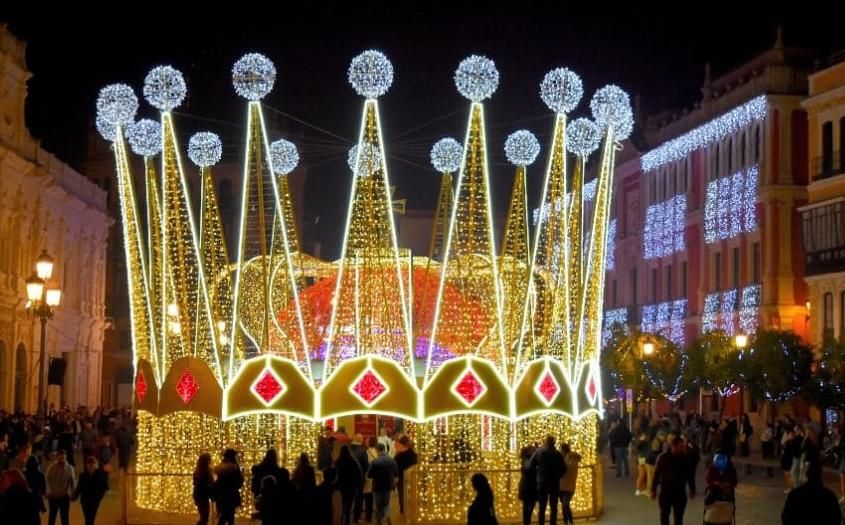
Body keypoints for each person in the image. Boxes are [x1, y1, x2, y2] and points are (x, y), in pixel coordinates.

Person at [650, 436, 695, 525]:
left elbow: (690, 476)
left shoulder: (686, 459)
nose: (683, 448)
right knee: (664, 515)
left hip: (680, 493)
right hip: (666, 493)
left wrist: (692, 489)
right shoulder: (663, 458)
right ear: (673, 446)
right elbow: (656, 474)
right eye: (680, 446)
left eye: (683, 446)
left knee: (678, 518)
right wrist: (653, 489)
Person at [528, 435, 566, 525]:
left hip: (542, 482)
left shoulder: (539, 452)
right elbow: (564, 468)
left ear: (546, 442)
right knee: (553, 506)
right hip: (554, 482)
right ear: (554, 443)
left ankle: (541, 523)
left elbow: (530, 465)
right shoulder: (558, 454)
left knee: (542, 506)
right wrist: (558, 475)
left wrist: (537, 472)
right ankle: (553, 523)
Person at [368, 442, 398, 525]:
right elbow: (396, 473)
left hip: (377, 486)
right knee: (386, 503)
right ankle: (387, 515)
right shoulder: (392, 460)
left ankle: (379, 520)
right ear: (384, 449)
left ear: (377, 450)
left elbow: (369, 475)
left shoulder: (374, 461)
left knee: (378, 504)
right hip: (388, 485)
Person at [73, 456, 109, 525]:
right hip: (85, 501)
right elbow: (79, 487)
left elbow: (105, 487)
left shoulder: (100, 475)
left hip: (95, 501)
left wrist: (100, 497)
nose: (91, 466)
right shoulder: (83, 475)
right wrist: (75, 496)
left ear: (95, 465)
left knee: (91, 518)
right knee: (87, 518)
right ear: (86, 465)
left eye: (92, 464)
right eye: (89, 464)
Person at [213, 448, 244, 525]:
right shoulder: (234, 467)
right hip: (231, 496)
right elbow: (239, 482)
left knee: (226, 516)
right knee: (227, 516)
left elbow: (215, 482)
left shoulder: (219, 467)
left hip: (221, 496)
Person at [46, 449, 76, 525]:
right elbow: (46, 479)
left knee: (64, 518)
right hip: (53, 497)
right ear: (57, 458)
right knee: (52, 517)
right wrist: (47, 491)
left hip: (64, 497)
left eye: (63, 458)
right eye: (60, 458)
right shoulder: (51, 467)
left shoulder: (69, 468)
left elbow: (73, 482)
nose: (61, 460)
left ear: (66, 458)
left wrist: (73, 493)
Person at [335, 445, 363, 525]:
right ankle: (347, 522)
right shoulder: (354, 461)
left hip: (341, 488)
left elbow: (334, 475)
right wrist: (359, 486)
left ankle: (341, 521)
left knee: (342, 507)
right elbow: (359, 475)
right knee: (349, 508)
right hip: (351, 488)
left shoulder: (338, 462)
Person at [393, 435, 418, 514]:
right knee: (411, 493)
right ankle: (411, 508)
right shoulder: (413, 454)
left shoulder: (398, 456)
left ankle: (403, 509)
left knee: (402, 494)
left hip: (401, 477)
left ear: (401, 444)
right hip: (412, 476)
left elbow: (396, 467)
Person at [350, 433, 370, 523]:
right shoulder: (363, 450)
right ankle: (356, 518)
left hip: (347, 478)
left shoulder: (347, 448)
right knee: (359, 498)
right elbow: (366, 465)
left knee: (348, 498)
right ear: (361, 441)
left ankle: (346, 516)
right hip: (359, 478)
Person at [558, 443, 580, 525]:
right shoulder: (563, 458)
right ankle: (566, 521)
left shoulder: (571, 458)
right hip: (561, 485)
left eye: (561, 449)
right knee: (564, 505)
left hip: (568, 485)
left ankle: (570, 521)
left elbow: (569, 468)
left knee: (565, 504)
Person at [362, 436, 379, 523]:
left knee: (368, 497)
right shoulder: (377, 452)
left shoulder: (366, 452)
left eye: (367, 441)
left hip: (368, 476)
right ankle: (377, 516)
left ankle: (368, 516)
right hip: (377, 477)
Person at [517, 446, 537, 525]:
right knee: (528, 504)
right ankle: (526, 521)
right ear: (528, 451)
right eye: (533, 450)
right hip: (528, 485)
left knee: (528, 504)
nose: (534, 451)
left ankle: (527, 521)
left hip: (528, 485)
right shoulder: (527, 460)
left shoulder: (526, 459)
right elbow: (529, 470)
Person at [193, 453, 214, 525]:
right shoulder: (207, 471)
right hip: (203, 495)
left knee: (203, 516)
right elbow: (210, 482)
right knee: (204, 517)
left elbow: (195, 483)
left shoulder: (197, 470)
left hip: (198, 494)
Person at [24, 453, 47, 517]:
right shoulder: (40, 474)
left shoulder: (24, 474)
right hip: (35, 499)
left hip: (28, 499)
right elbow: (44, 489)